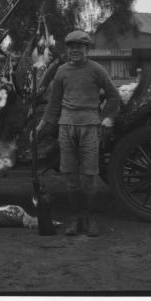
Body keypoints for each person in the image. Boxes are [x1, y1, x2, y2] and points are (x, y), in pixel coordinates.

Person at [36, 30, 120, 237]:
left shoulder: (96, 70)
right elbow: (54, 104)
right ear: (67, 49)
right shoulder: (62, 71)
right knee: (70, 176)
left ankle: (89, 219)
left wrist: (108, 118)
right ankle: (75, 219)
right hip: (66, 127)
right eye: (71, 47)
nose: (75, 51)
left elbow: (113, 96)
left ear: (86, 49)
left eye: (79, 47)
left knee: (90, 176)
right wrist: (41, 126)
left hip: (90, 127)